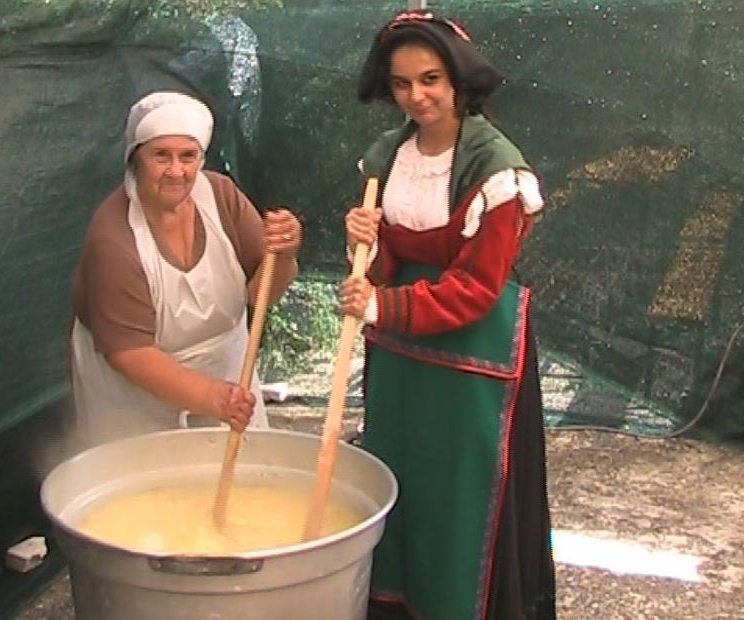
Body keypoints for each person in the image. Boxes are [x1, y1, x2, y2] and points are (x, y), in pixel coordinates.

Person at [338, 10, 557, 620]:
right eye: (403, 83)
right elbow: (381, 263)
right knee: (399, 478)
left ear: (459, 80)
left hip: (471, 362)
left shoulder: (499, 170)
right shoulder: (387, 156)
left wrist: (383, 305)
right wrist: (366, 243)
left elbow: (477, 288)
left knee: (461, 496)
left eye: (431, 79)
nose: (417, 96)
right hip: (401, 361)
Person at [68, 91, 302, 448]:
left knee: (246, 480)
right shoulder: (113, 238)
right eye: (161, 156)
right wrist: (210, 397)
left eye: (188, 157)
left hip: (226, 372)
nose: (177, 171)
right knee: (147, 489)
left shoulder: (223, 198)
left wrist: (283, 256)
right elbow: (130, 353)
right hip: (136, 396)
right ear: (136, 158)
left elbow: (262, 295)